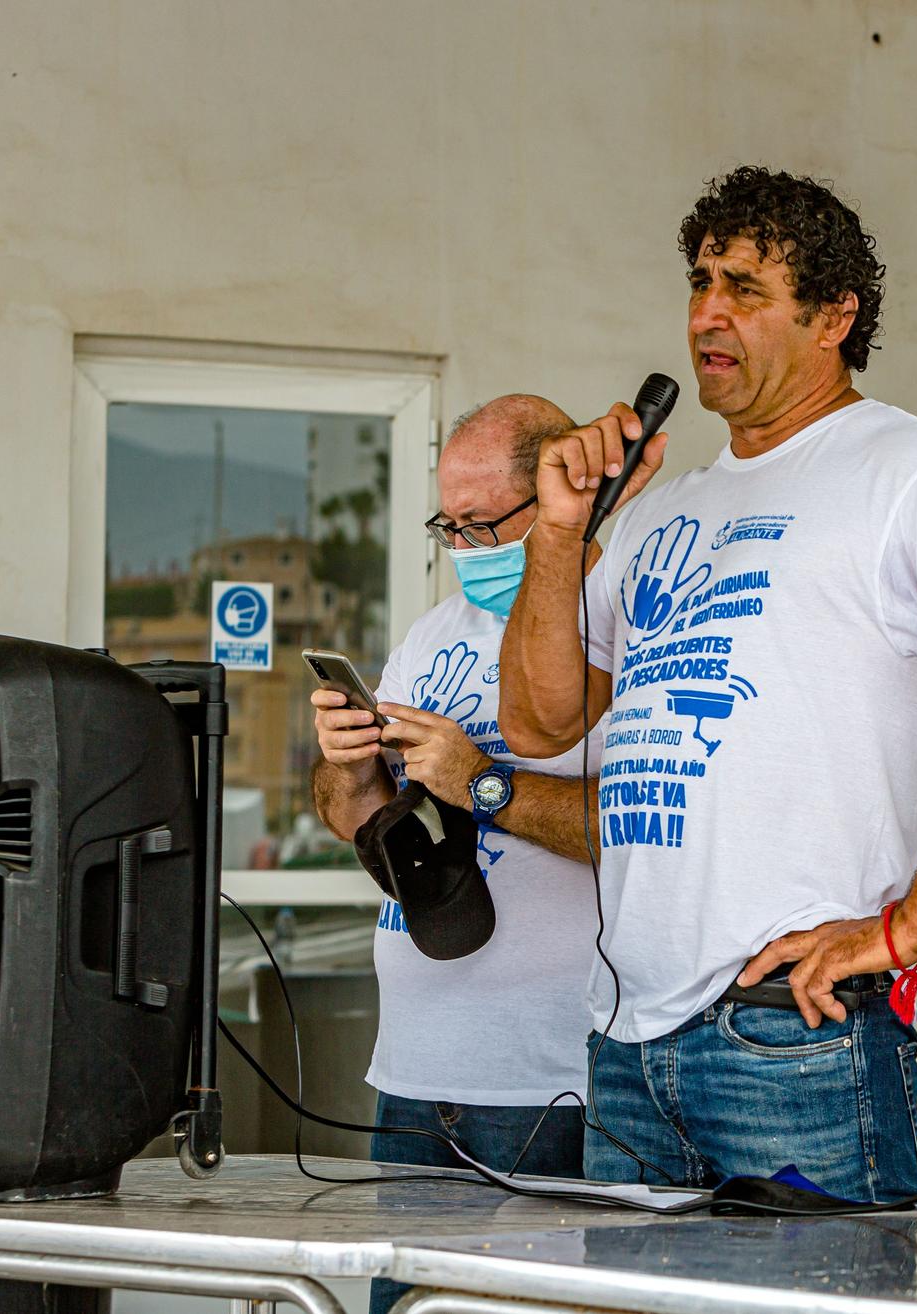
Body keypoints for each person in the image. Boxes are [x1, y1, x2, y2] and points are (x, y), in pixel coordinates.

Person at [497, 166, 917, 1200]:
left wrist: (904, 928)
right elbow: (539, 721)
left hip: (790, 1036)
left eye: (744, 288)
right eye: (698, 282)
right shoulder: (656, 509)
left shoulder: (912, 473)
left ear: (833, 316)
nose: (707, 314)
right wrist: (557, 532)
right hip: (628, 1042)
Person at [310, 393, 599, 1186]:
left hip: (548, 1079)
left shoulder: (619, 624)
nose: (464, 551)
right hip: (412, 1066)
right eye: (449, 528)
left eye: (481, 525)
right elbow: (351, 818)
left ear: (561, 498)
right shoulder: (433, 631)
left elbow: (640, 826)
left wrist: (482, 783)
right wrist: (349, 760)